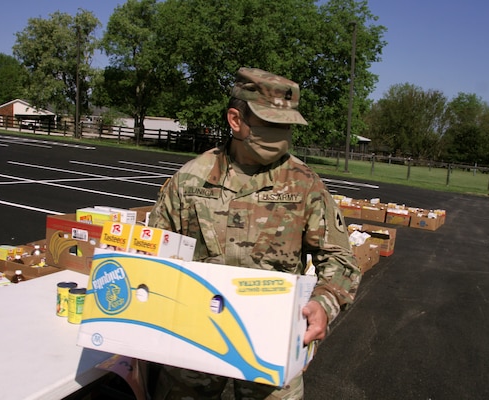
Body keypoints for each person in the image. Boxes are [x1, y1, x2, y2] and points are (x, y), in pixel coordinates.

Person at [148, 67, 361, 400]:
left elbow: (340, 260)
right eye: (270, 124)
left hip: (272, 348)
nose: (281, 135)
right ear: (236, 120)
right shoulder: (190, 181)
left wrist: (324, 303)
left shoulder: (304, 185)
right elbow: (153, 253)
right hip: (195, 342)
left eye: (287, 126)